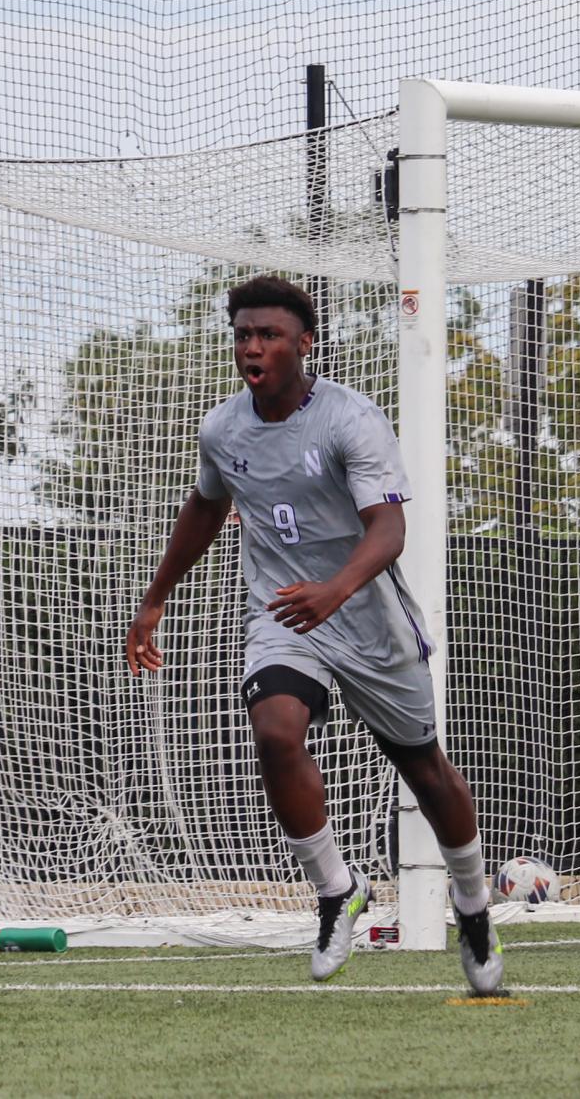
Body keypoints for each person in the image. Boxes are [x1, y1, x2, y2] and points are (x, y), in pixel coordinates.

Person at [124, 275, 503, 995]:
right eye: (241, 334)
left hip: (366, 619)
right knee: (273, 731)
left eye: (267, 334)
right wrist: (152, 602)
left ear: (304, 343)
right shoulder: (221, 428)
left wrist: (334, 589)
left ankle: (472, 902)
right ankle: (335, 889)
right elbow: (204, 509)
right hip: (283, 613)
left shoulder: (350, 421)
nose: (251, 347)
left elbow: (388, 531)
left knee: (424, 769)